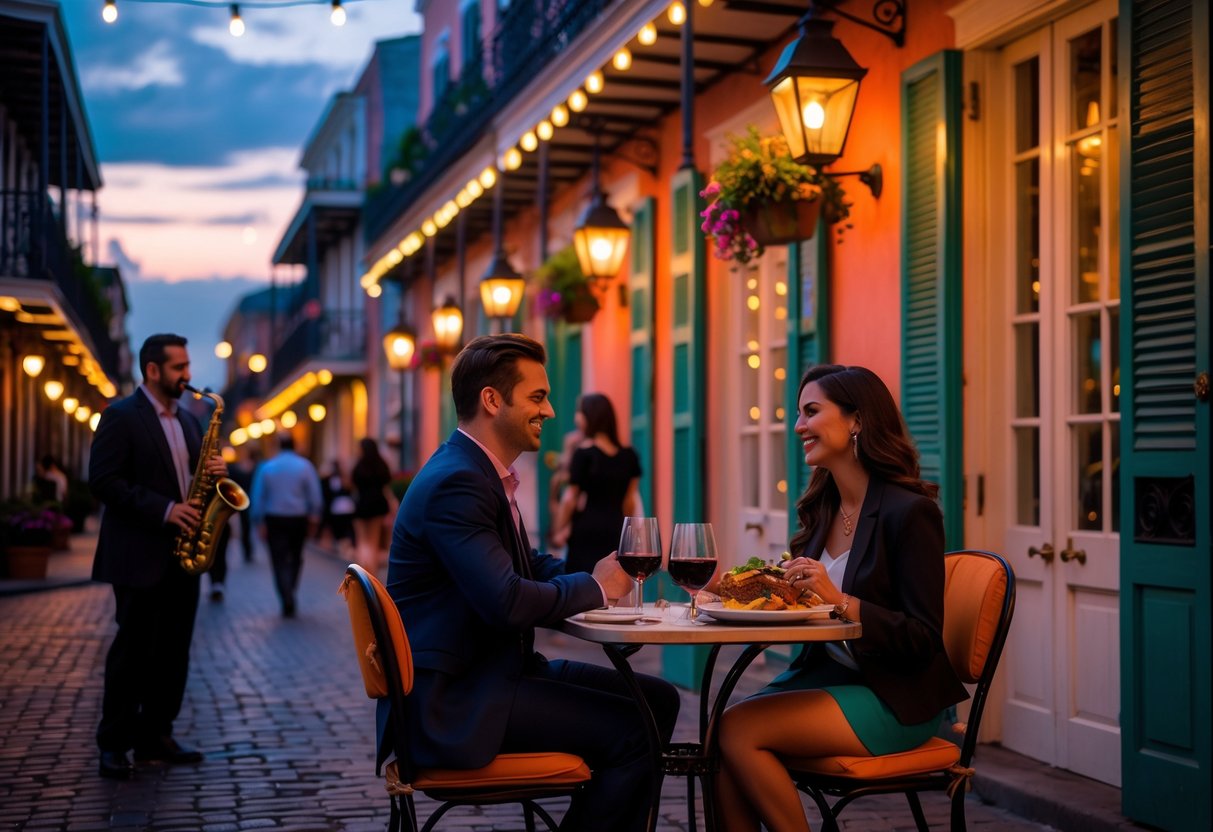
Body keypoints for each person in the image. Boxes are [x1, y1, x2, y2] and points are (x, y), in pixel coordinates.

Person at [385, 333, 680, 832]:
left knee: (661, 700)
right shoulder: (458, 482)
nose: (551, 412)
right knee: (634, 731)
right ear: (492, 400)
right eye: (538, 397)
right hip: (457, 704)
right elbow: (506, 602)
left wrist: (591, 574)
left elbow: (527, 565)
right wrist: (597, 589)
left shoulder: (477, 471)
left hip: (492, 675)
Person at [715, 364, 968, 832]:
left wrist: (840, 599)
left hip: (893, 695)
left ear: (856, 420)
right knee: (719, 734)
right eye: (798, 414)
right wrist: (735, 586)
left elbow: (923, 638)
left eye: (811, 412)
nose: (798, 427)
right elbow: (801, 605)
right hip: (827, 679)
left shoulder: (910, 513)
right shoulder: (822, 508)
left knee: (738, 730)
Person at [89, 333, 228, 780]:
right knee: (132, 651)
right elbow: (104, 481)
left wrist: (215, 473)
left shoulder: (189, 422)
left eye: (187, 365)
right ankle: (114, 743)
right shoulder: (121, 417)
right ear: (152, 369)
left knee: (173, 651)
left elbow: (191, 481)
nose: (188, 375)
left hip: (181, 557)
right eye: (178, 367)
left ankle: (156, 734)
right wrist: (166, 509)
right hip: (138, 554)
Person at [550, 393, 641, 575]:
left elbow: (570, 498)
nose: (577, 418)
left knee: (583, 584)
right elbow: (629, 501)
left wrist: (557, 530)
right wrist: (628, 534)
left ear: (590, 417)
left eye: (580, 412)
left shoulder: (584, 454)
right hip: (616, 528)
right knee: (613, 584)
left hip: (586, 531)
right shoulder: (629, 455)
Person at [249, 435, 323, 617]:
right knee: (296, 556)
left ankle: (286, 594)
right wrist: (315, 515)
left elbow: (258, 496)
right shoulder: (305, 466)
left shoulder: (267, 466)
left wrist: (258, 521)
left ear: (279, 446)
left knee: (278, 558)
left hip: (274, 518)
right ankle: (290, 587)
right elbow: (315, 494)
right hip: (298, 517)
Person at [351, 438, 392, 571]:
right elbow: (387, 483)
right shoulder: (381, 465)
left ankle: (362, 572)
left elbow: (351, 484)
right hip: (378, 505)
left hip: (362, 505)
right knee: (374, 541)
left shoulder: (359, 466)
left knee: (362, 540)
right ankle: (372, 573)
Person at [227, 447, 258, 563]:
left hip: (250, 500)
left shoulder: (254, 467)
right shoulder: (236, 467)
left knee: (248, 527)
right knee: (245, 527)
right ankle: (247, 551)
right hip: (241, 501)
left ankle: (249, 551)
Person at [320, 458, 356, 556]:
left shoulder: (329, 480)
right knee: (345, 530)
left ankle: (343, 548)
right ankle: (344, 548)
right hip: (346, 507)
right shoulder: (342, 479)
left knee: (341, 530)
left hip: (337, 508)